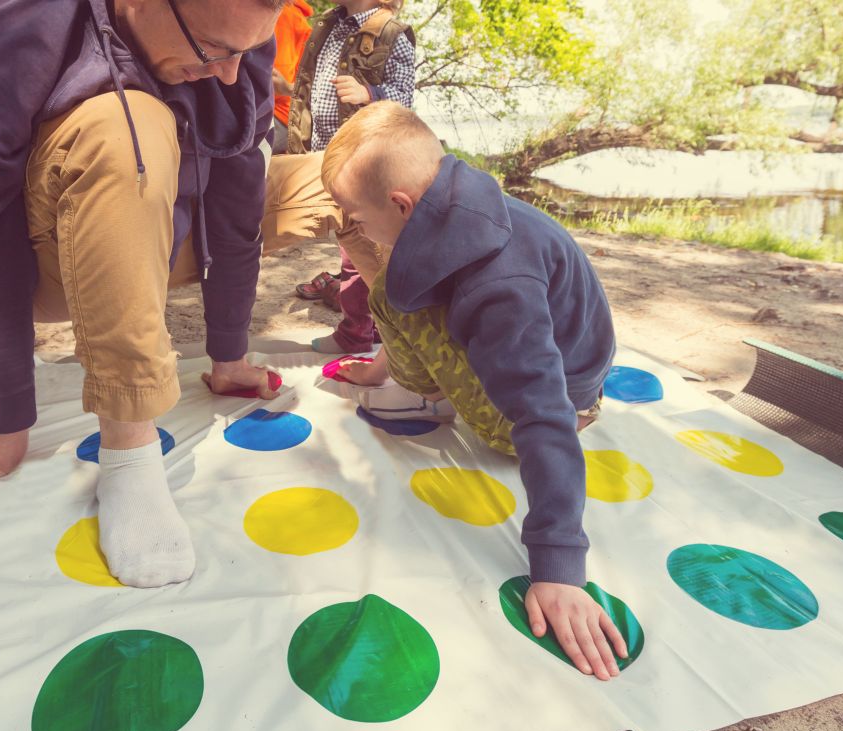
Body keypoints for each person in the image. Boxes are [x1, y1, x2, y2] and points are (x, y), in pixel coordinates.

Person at [0, 0, 286, 589]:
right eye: (217, 50)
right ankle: (129, 449)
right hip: (59, 254)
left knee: (365, 166)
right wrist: (6, 434)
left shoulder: (236, 41)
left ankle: (422, 365)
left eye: (247, 52)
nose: (233, 73)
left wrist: (227, 355)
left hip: (176, 233)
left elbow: (236, 194)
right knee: (126, 126)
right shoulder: (1, 22)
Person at [320, 101, 628, 681]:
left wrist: (559, 566)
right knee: (396, 288)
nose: (353, 229)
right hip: (560, 361)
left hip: (562, 401)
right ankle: (405, 373)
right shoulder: (459, 201)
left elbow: (540, 415)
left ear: (402, 204)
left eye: (356, 218)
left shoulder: (498, 284)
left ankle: (416, 384)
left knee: (388, 296)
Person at [280, 0, 414, 355]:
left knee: (369, 252)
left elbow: (405, 100)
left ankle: (383, 336)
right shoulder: (329, 25)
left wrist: (370, 94)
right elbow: (312, 85)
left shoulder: (391, 34)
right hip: (324, 151)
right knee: (349, 249)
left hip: (363, 158)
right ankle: (361, 331)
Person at [269, 0, 314, 155]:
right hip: (259, 107)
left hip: (278, 113)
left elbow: (275, 83)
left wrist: (286, 87)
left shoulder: (289, 17)